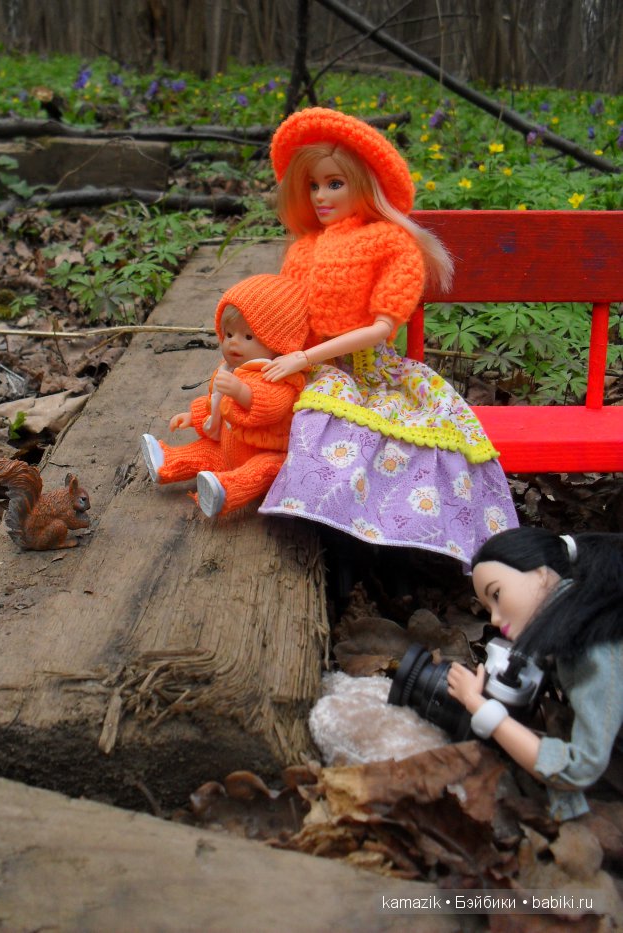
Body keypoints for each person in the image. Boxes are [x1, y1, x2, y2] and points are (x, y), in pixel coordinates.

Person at [258, 107, 518, 563]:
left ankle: (380, 543)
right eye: (314, 185)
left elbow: (380, 327)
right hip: (309, 369)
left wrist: (306, 358)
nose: (320, 196)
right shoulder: (302, 249)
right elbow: (287, 318)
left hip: (370, 374)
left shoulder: (391, 242)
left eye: (334, 183)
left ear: (366, 185)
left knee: (399, 435)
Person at [447, 527, 623, 821]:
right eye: (488, 606)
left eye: (497, 594)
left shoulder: (596, 649)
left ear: (541, 574)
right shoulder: (579, 627)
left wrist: (481, 708)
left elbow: (580, 767)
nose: (494, 618)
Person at [140, 273, 308, 517]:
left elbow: (272, 405)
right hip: (228, 447)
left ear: (278, 342)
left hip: (264, 452)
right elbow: (216, 404)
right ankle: (167, 461)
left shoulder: (280, 375)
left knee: (262, 471)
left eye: (247, 336)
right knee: (204, 452)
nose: (233, 343)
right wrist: (194, 416)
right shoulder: (228, 369)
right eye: (228, 334)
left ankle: (225, 490)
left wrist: (241, 392)